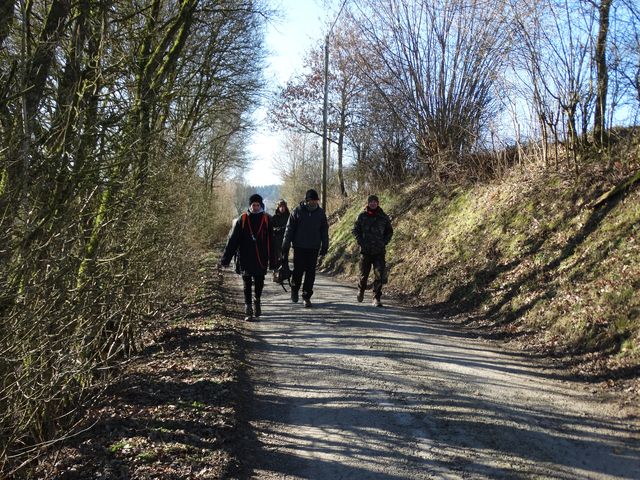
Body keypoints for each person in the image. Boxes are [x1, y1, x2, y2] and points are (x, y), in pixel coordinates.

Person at [220, 193, 276, 321]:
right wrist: (226, 259)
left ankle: (257, 300)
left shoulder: (267, 219)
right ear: (250, 206)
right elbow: (233, 240)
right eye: (253, 205)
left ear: (261, 205)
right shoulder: (243, 219)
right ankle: (248, 308)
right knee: (246, 283)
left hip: (261, 258)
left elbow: (272, 242)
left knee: (259, 282)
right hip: (245, 257)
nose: (255, 207)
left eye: (257, 205)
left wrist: (273, 261)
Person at [281, 189, 329, 308]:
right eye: (312, 201)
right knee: (298, 271)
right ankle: (294, 289)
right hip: (299, 247)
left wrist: (325, 245)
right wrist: (285, 246)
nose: (314, 203)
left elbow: (324, 231)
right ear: (307, 201)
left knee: (310, 273)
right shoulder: (297, 212)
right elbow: (289, 230)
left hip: (314, 247)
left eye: (316, 200)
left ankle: (306, 296)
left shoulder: (320, 213)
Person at [352, 194, 393, 307]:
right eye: (371, 202)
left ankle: (376, 298)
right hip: (365, 251)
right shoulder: (362, 216)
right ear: (368, 203)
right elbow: (355, 231)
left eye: (375, 202)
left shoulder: (383, 217)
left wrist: (384, 242)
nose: (373, 203)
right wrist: (361, 242)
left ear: (378, 203)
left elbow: (389, 232)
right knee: (363, 275)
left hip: (379, 251)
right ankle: (361, 290)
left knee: (379, 275)